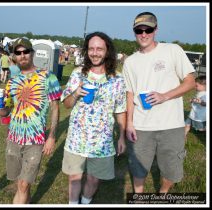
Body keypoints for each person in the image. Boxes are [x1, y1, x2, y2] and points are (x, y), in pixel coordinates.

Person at [122, 12, 196, 193]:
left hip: (172, 125)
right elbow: (129, 94)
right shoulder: (130, 62)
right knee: (138, 168)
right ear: (134, 32)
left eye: (148, 29)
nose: (144, 34)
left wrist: (165, 96)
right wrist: (129, 124)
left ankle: (162, 194)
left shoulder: (172, 50)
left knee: (171, 169)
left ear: (156, 30)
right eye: (139, 30)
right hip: (141, 126)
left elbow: (191, 81)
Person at [0, 37, 62, 204]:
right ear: (14, 56)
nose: (22, 55)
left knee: (23, 185)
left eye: (26, 51)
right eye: (18, 52)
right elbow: (5, 112)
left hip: (35, 140)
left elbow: (56, 108)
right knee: (20, 184)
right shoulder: (12, 81)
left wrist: (51, 136)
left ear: (32, 53)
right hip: (14, 138)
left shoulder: (48, 76)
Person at [60, 31, 127, 204]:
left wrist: (121, 136)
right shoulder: (77, 74)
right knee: (74, 177)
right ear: (86, 50)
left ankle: (85, 202)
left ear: (107, 51)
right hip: (77, 138)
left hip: (102, 141)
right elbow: (66, 104)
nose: (95, 53)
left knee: (94, 178)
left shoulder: (117, 79)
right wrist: (75, 93)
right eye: (91, 49)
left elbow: (120, 110)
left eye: (99, 49)